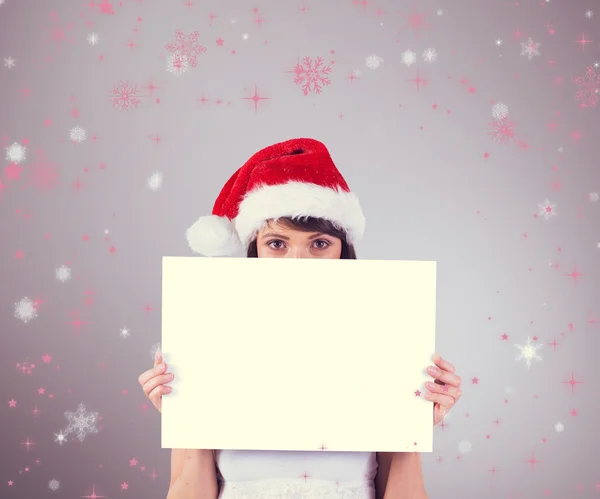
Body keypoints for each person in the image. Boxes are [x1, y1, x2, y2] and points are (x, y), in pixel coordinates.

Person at [138, 138, 463, 499]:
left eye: (319, 244)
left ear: (343, 252)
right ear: (254, 251)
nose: (298, 263)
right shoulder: (210, 345)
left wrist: (410, 422)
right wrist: (191, 412)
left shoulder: (383, 345)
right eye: (277, 244)